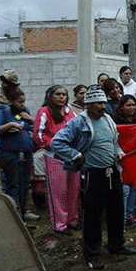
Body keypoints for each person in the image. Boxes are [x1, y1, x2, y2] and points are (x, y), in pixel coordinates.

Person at [51, 85, 136, 270]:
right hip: (93, 174)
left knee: (116, 211)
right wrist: (75, 155)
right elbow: (56, 142)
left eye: (104, 102)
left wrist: (119, 152)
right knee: (93, 216)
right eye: (98, 103)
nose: (102, 106)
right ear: (88, 104)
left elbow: (114, 142)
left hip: (112, 171)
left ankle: (116, 245)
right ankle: (92, 254)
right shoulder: (78, 122)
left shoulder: (108, 120)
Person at [33, 85, 80, 235]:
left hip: (72, 156)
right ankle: (60, 224)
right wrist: (55, 145)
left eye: (64, 94)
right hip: (54, 156)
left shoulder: (69, 112)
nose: (61, 97)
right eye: (57, 94)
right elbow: (38, 135)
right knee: (58, 191)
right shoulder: (44, 112)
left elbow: (77, 129)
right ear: (50, 96)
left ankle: (73, 220)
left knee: (73, 189)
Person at [0, 87, 39, 222]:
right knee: (13, 183)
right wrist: (10, 124)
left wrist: (30, 119)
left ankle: (24, 210)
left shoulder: (25, 112)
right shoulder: (4, 113)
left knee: (25, 183)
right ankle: (14, 214)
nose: (22, 105)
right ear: (11, 101)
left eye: (23, 102)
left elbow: (36, 128)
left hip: (26, 152)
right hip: (10, 153)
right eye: (19, 102)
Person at [113, 95, 136, 227]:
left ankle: (129, 214)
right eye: (128, 105)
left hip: (135, 158)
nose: (131, 108)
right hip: (121, 158)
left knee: (133, 187)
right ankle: (121, 218)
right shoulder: (115, 122)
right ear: (121, 107)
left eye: (133, 105)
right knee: (124, 189)